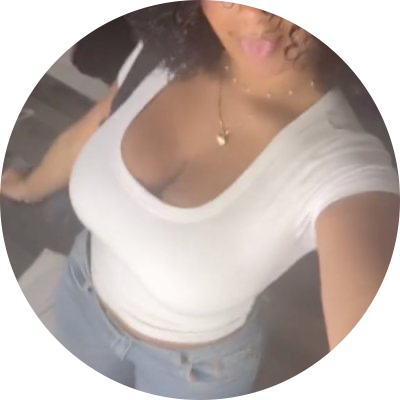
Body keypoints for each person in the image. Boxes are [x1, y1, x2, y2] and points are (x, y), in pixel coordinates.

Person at [1, 1, 399, 398]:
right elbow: (89, 131)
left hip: (192, 373)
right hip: (81, 294)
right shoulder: (165, 57)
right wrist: (27, 186)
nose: (255, 14)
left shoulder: (347, 164)